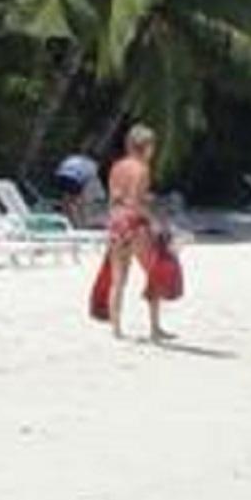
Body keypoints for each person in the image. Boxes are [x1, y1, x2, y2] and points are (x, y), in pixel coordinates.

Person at [101, 120, 169, 345]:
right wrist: (154, 222)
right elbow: (136, 202)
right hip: (135, 224)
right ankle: (155, 328)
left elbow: (115, 198)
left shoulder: (117, 166)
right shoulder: (142, 169)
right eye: (152, 146)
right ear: (146, 147)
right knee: (154, 272)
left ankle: (116, 329)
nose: (153, 151)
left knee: (118, 280)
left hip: (115, 222)